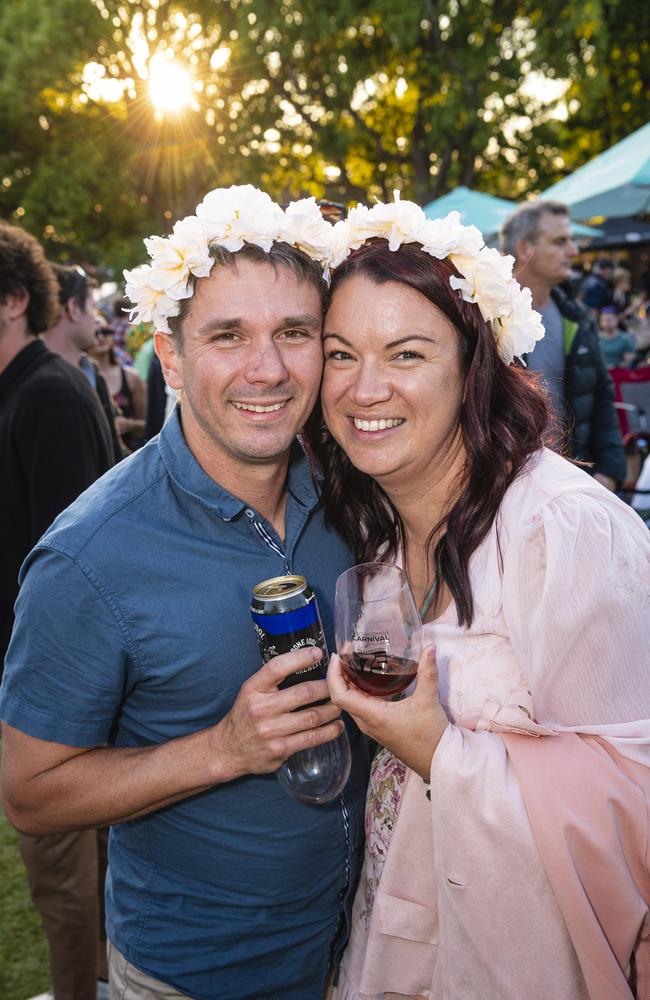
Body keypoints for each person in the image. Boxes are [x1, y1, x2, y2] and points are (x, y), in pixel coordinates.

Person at [0, 187, 368, 1000]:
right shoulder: (89, 555)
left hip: (370, 950)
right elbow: (29, 793)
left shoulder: (353, 494)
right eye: (228, 336)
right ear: (168, 355)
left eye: (294, 334)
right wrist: (223, 749)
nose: (267, 368)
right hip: (200, 976)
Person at [303, 196, 650, 1000]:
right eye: (341, 354)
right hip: (397, 944)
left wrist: (438, 749)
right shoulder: (380, 534)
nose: (365, 388)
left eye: (408, 353)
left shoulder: (563, 532)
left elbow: (637, 798)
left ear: (473, 366)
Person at [0, 222, 115, 1000]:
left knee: (69, 880)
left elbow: (82, 569)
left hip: (62, 701)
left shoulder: (47, 394)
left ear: (14, 300)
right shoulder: (21, 389)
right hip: (31, 686)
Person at [500, 200, 626, 489]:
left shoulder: (576, 317)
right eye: (560, 242)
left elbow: (601, 397)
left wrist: (609, 472)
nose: (573, 251)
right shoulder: (487, 319)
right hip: (508, 492)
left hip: (576, 485)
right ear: (524, 249)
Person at [43, 264, 123, 463]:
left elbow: (112, 451)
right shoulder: (41, 385)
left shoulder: (91, 372)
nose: (96, 319)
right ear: (73, 309)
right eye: (91, 307)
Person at [89, 324, 147, 451]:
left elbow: (148, 424)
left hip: (128, 457)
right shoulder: (81, 378)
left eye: (105, 331)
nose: (101, 337)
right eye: (95, 332)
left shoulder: (130, 377)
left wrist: (129, 425)